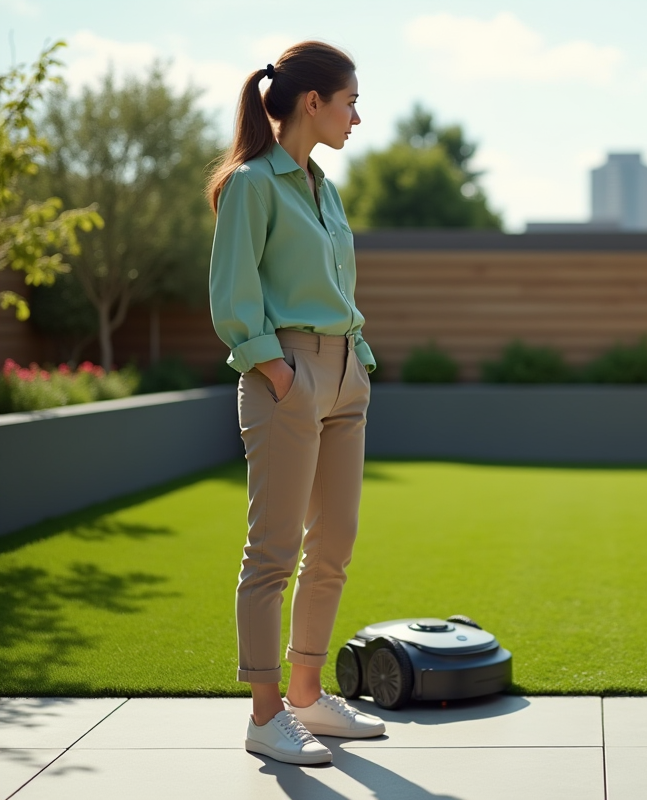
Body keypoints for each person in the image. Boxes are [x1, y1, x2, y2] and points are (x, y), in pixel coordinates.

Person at [207, 41, 383, 766]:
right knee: (274, 552)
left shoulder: (325, 187)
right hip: (287, 373)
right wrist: (274, 368)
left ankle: (308, 696)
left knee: (334, 544)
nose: (357, 117)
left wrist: (359, 361)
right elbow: (231, 292)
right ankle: (265, 715)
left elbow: (338, 285)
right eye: (350, 101)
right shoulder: (253, 184)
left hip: (345, 375)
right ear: (314, 102)